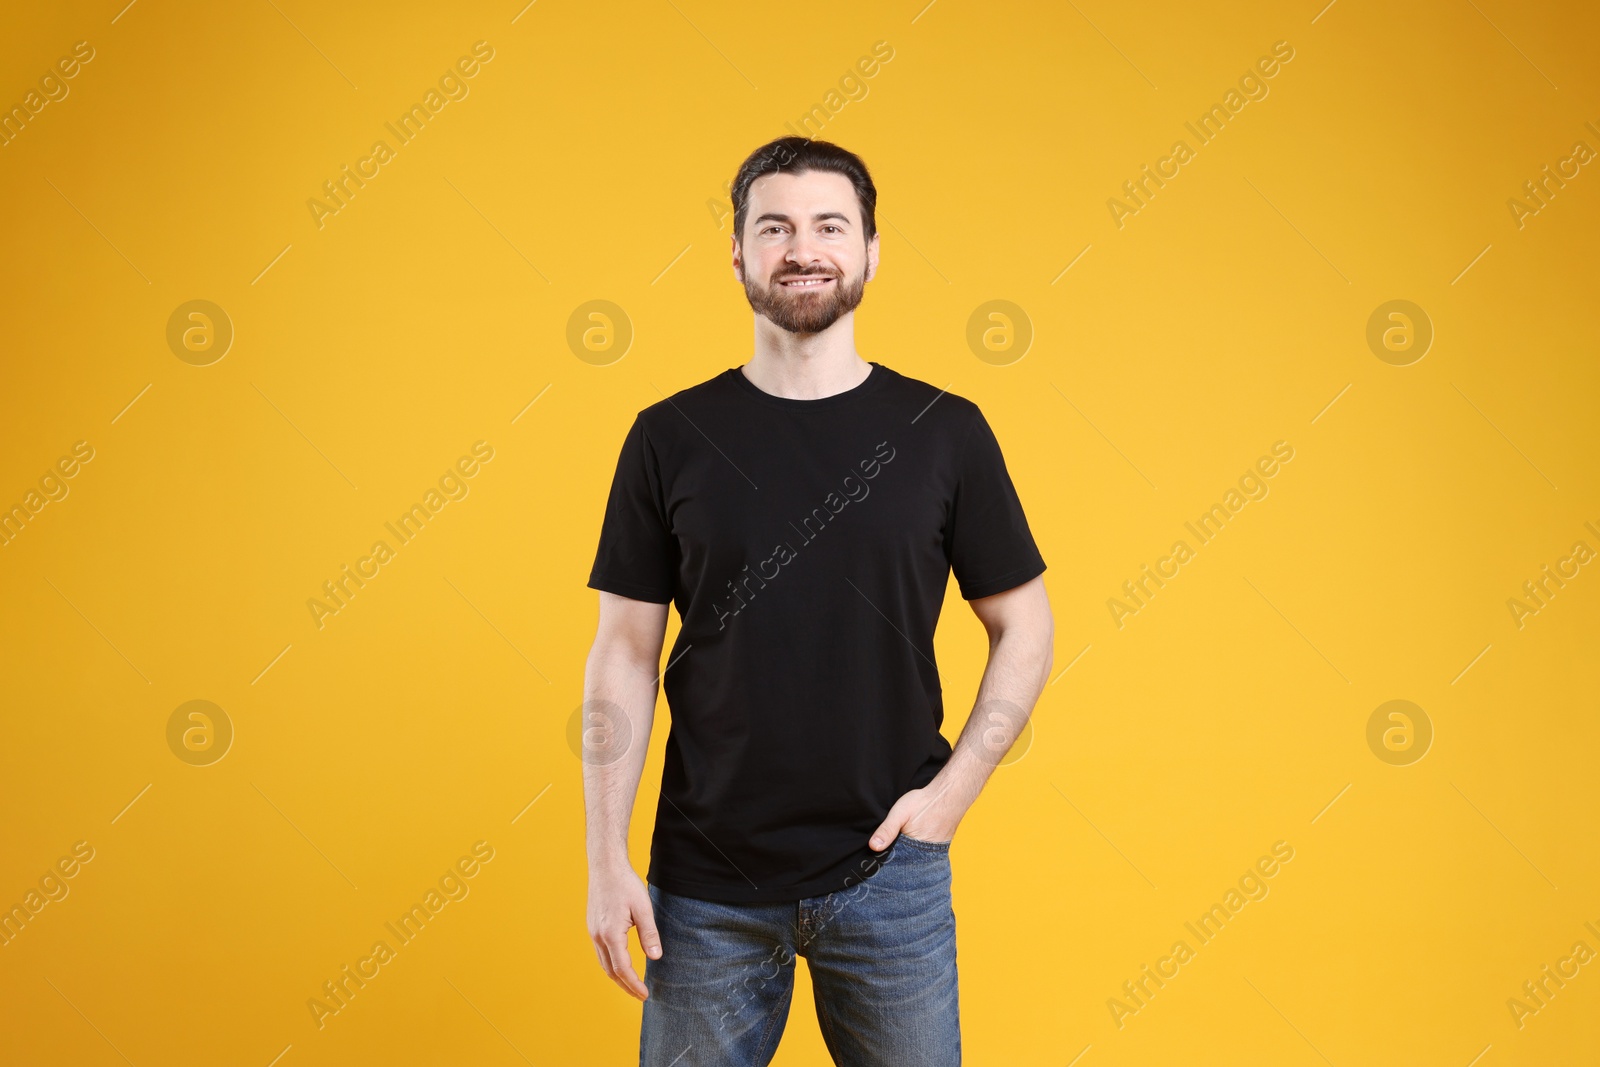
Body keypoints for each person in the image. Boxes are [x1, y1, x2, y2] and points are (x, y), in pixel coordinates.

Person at [582, 135, 1054, 1067]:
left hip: (891, 876)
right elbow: (624, 654)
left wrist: (949, 798)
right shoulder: (669, 436)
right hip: (706, 884)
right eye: (777, 227)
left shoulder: (944, 433)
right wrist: (606, 861)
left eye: (830, 225)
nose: (804, 248)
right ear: (739, 254)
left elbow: (1025, 622)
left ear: (873, 251)